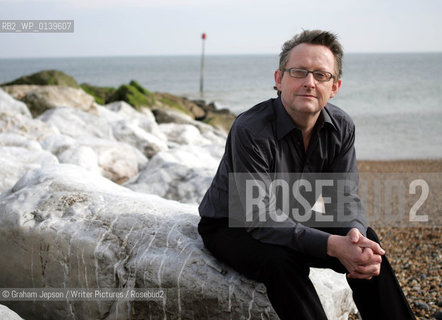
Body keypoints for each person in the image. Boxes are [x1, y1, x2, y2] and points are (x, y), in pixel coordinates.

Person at [198, 30, 415, 320]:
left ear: (335, 86)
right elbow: (258, 216)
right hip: (232, 224)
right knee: (280, 259)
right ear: (279, 79)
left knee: (366, 245)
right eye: (299, 72)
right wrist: (330, 245)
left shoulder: (341, 126)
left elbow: (345, 197)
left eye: (321, 75)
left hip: (292, 214)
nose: (309, 83)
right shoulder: (251, 129)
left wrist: (353, 235)